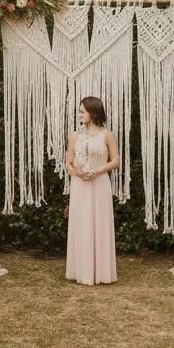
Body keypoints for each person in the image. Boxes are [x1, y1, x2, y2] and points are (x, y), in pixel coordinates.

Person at [65, 96, 118, 286]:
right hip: (79, 185)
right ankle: (81, 270)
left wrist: (97, 171)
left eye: (82, 111)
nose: (79, 114)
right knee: (81, 224)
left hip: (100, 183)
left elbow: (115, 161)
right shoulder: (74, 136)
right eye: (79, 111)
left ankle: (101, 272)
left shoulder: (107, 135)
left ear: (93, 113)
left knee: (99, 224)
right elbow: (68, 162)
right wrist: (77, 173)